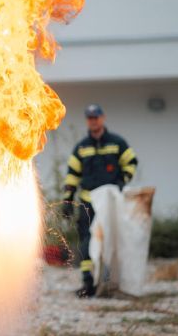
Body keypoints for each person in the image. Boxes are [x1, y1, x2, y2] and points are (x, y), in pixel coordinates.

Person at [61, 104, 138, 298]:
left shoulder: (117, 143)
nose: (93, 121)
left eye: (96, 117)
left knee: (109, 242)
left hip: (111, 205)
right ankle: (88, 284)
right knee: (86, 243)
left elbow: (131, 163)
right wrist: (67, 200)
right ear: (87, 121)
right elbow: (72, 176)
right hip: (88, 203)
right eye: (89, 118)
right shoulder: (81, 147)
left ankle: (108, 282)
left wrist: (122, 181)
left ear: (102, 118)